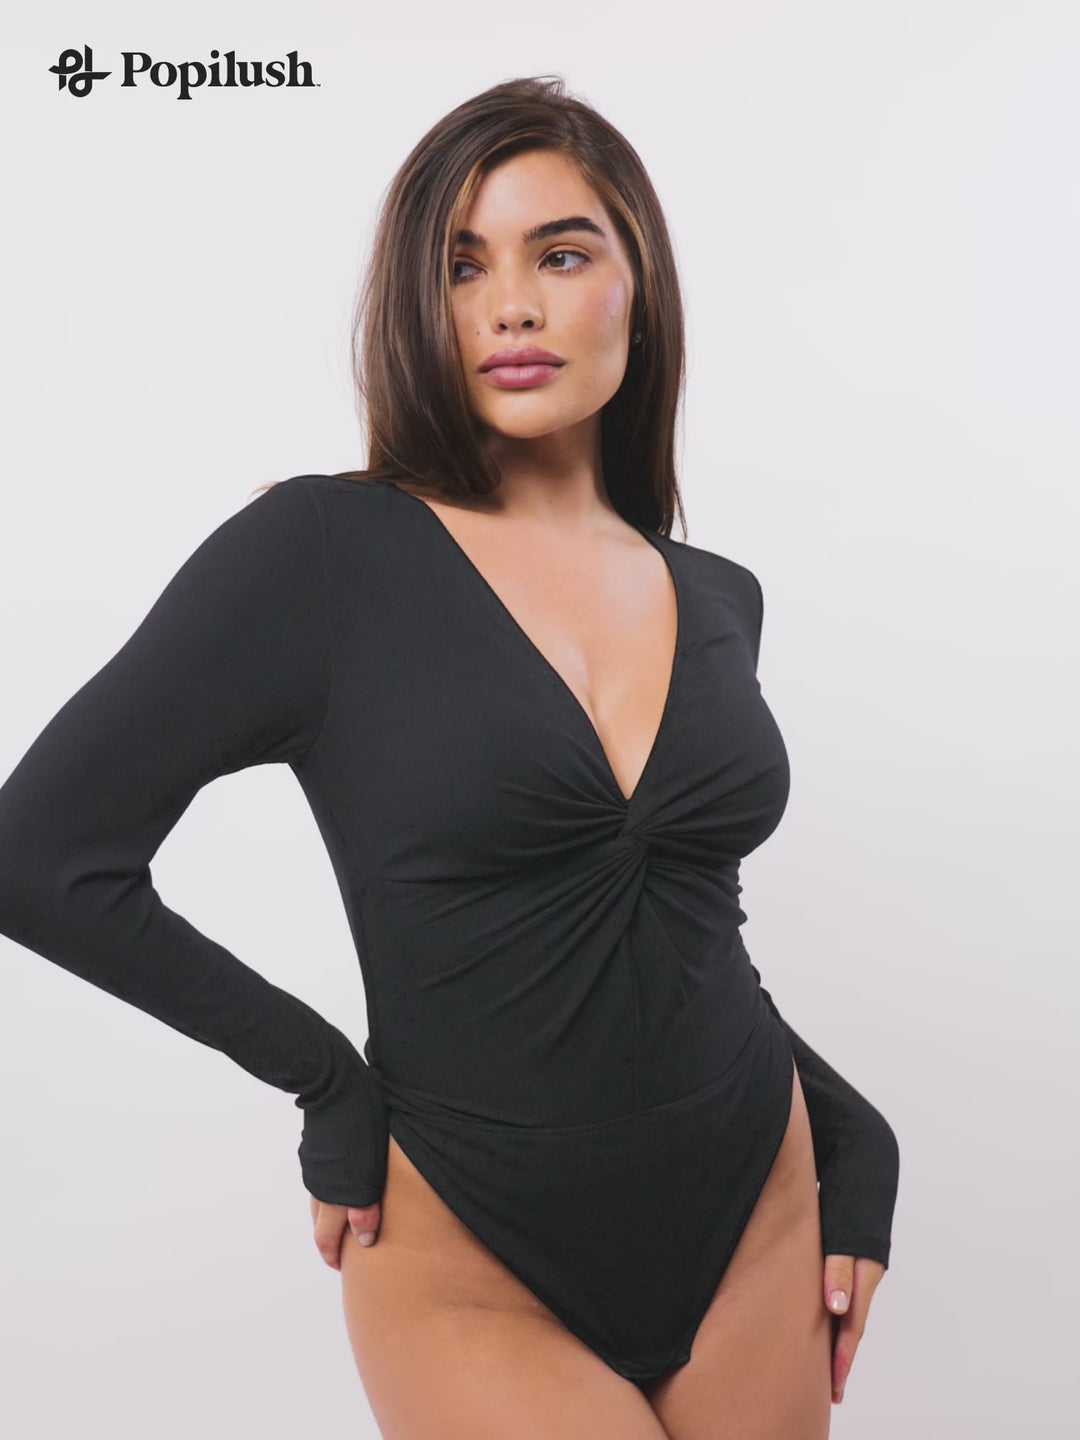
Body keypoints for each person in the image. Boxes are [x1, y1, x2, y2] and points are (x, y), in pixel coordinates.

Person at [0, 76, 898, 1439]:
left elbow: (672, 926)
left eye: (561, 254)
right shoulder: (320, 554)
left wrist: (849, 1125)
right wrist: (325, 1079)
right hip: (469, 1242)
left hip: (753, 1209)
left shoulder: (719, 596)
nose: (511, 306)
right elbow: (38, 855)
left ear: (640, 287)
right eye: (462, 265)